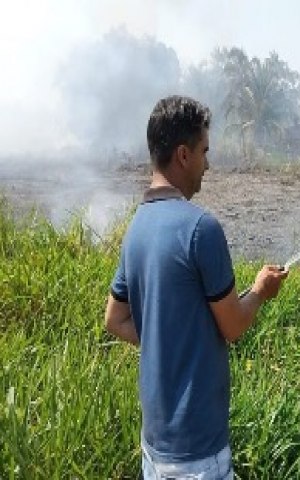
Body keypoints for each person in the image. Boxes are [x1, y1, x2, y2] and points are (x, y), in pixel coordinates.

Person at [104, 95, 288, 479]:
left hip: (154, 449)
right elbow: (234, 326)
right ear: (183, 155)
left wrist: (165, 340)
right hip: (197, 454)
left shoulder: (136, 227)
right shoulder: (201, 229)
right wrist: (261, 290)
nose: (209, 163)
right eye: (205, 151)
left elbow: (115, 319)